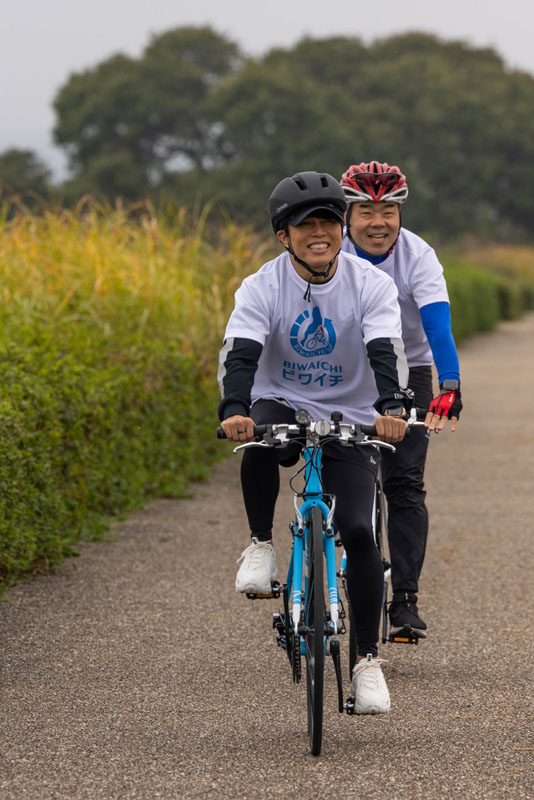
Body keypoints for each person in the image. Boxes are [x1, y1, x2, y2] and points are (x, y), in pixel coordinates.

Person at [217, 170, 412, 714]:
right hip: (278, 396)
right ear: (285, 235)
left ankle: (367, 662)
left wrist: (393, 406)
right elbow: (241, 355)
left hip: (349, 411)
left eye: (329, 220)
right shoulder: (261, 286)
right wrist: (235, 409)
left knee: (357, 527)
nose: (319, 232)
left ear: (343, 227)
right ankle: (260, 544)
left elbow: (385, 348)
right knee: (258, 435)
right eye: (306, 225)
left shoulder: (370, 285)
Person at [339, 161, 463, 639]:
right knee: (346, 476)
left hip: (409, 373)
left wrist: (450, 385)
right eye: (366, 211)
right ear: (348, 215)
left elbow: (437, 325)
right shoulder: (332, 254)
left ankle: (405, 600)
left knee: (405, 483)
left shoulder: (418, 256)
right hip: (349, 374)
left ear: (400, 213)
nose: (378, 222)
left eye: (388, 210)